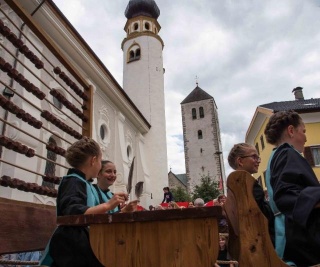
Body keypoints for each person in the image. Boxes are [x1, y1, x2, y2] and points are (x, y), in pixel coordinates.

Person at [41, 138, 128, 267]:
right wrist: (108, 205)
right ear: (93, 161)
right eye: (99, 160)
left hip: (81, 243)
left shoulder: (84, 183)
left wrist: (119, 209)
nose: (99, 165)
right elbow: (74, 211)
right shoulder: (73, 181)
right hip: (70, 247)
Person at [264, 110, 320, 266]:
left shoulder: (275, 156)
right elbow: (286, 196)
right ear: (291, 130)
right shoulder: (287, 153)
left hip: (286, 232)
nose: (306, 137)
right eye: (303, 131)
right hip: (298, 237)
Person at [228, 143, 274, 244]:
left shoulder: (235, 185)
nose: (258, 161)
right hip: (262, 241)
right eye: (254, 157)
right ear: (240, 161)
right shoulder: (248, 185)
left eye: (258, 157)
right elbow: (262, 214)